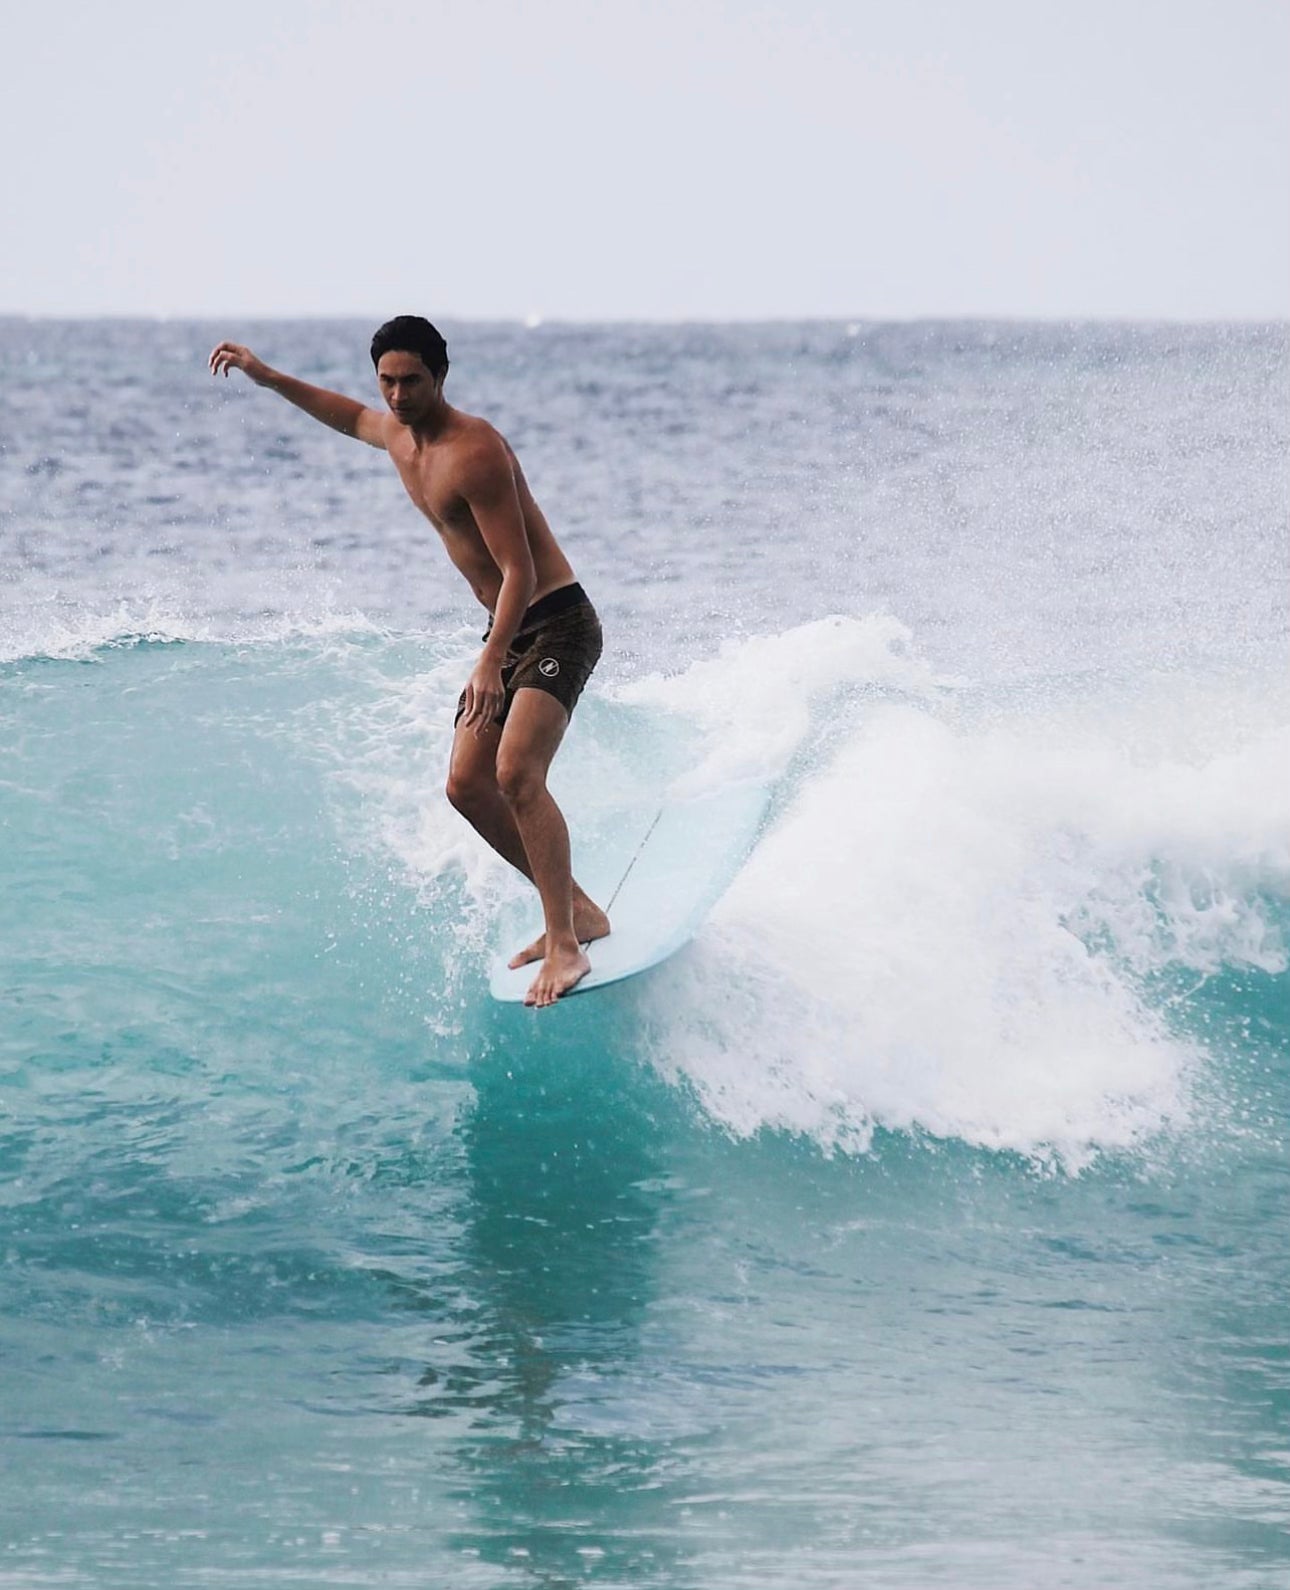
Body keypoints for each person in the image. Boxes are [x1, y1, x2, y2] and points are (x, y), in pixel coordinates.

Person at [209, 316, 608, 1006]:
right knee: (466, 786)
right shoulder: (396, 433)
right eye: (387, 381)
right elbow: (348, 417)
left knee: (515, 774)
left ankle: (566, 944)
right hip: (506, 633)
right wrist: (267, 375)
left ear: (440, 377)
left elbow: (516, 570)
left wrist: (488, 662)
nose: (396, 396)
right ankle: (575, 910)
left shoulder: (473, 450)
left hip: (556, 623)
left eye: (411, 381)